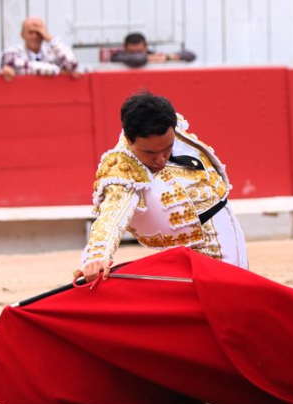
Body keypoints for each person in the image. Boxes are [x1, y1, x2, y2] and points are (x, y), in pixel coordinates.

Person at [81, 92, 248, 281]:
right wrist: (96, 257)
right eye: (150, 153)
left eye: (167, 148)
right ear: (129, 141)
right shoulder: (123, 168)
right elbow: (112, 216)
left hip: (223, 235)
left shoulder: (169, 124)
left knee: (232, 293)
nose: (160, 159)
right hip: (176, 251)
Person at [0, 16, 78, 81]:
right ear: (22, 35)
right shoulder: (11, 52)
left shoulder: (52, 53)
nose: (35, 36)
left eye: (39, 32)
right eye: (30, 32)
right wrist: (57, 71)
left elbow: (72, 65)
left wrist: (50, 38)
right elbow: (20, 66)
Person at [111, 32, 196, 68]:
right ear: (125, 48)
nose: (136, 54)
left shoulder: (154, 55)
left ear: (145, 47)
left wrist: (168, 57)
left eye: (139, 51)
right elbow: (137, 59)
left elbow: (190, 55)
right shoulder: (118, 57)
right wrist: (150, 59)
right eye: (132, 52)